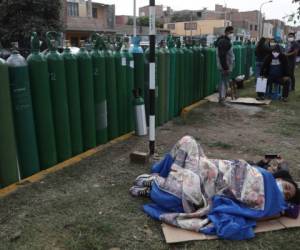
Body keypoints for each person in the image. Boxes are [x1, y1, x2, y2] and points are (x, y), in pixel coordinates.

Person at [130, 136, 300, 240]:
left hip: (208, 187)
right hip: (211, 168)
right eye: (286, 187)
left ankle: (155, 183)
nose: (284, 191)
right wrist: (273, 158)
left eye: (287, 194)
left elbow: (292, 210)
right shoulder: (262, 172)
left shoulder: (271, 206)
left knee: (180, 197)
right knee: (187, 141)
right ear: (280, 179)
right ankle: (160, 177)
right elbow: (253, 164)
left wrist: (283, 208)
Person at [215, 26, 235, 103]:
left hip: (224, 65)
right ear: (226, 32)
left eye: (232, 32)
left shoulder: (224, 40)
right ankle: (222, 97)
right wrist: (226, 67)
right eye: (231, 32)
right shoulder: (224, 42)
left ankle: (222, 96)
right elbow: (222, 55)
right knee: (223, 81)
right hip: (224, 66)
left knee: (223, 80)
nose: (232, 34)